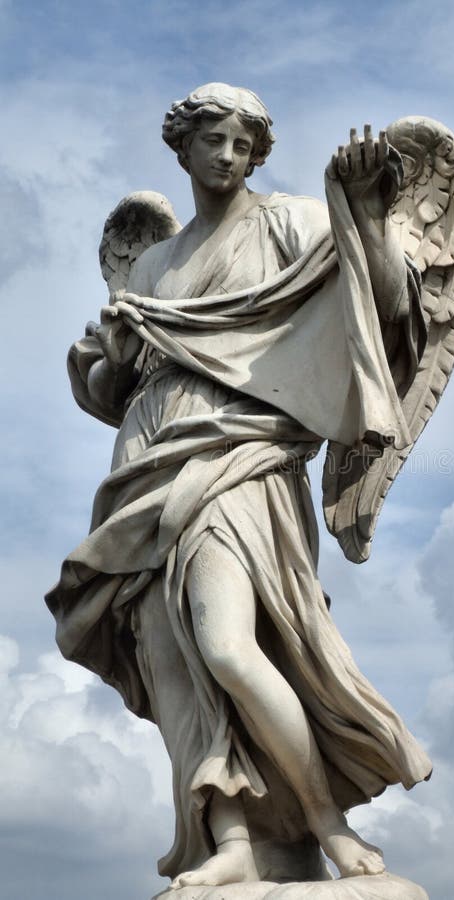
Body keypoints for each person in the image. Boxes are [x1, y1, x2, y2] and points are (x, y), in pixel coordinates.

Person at [46, 83, 432, 889]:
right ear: (181, 148)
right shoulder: (153, 261)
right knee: (176, 668)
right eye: (212, 140)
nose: (226, 156)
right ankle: (228, 840)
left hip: (240, 457)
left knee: (226, 644)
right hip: (146, 457)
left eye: (241, 144)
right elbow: (123, 383)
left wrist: (362, 214)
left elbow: (385, 310)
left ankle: (328, 823)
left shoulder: (292, 221)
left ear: (258, 153)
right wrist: (107, 354)